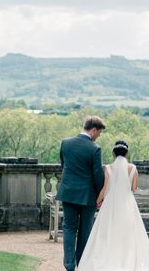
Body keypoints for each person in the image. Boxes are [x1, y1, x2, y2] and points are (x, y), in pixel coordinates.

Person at [77, 140, 149, 271]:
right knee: (128, 233)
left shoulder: (108, 168)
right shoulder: (133, 168)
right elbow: (134, 188)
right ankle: (126, 260)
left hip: (110, 204)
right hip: (127, 204)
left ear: (113, 153)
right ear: (127, 153)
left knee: (107, 233)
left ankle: (108, 259)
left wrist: (97, 201)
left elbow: (104, 189)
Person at [56, 116, 106, 271]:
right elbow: (98, 175)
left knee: (69, 229)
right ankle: (82, 264)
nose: (99, 136)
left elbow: (64, 166)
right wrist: (100, 196)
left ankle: (69, 266)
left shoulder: (66, 143)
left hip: (68, 193)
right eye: (99, 132)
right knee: (85, 231)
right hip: (87, 196)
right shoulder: (94, 149)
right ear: (94, 130)